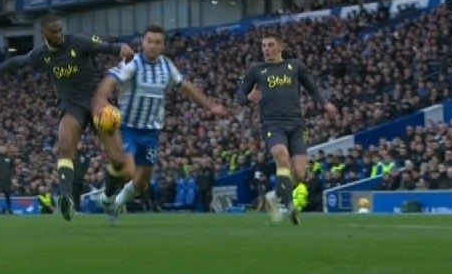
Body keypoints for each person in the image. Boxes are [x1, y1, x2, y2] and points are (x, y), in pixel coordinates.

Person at [0, 14, 135, 222]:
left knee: (118, 161)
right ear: (44, 33)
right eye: (53, 31)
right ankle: (66, 197)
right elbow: (16, 62)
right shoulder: (41, 54)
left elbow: (106, 47)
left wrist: (122, 47)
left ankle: (108, 197)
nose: (58, 34)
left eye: (59, 30)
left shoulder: (78, 42)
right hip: (71, 104)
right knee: (65, 144)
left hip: (97, 103)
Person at [92, 24, 226, 222]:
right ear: (143, 43)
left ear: (163, 46)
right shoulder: (133, 63)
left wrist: (210, 106)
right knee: (128, 171)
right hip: (128, 127)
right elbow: (110, 80)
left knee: (141, 184)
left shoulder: (166, 66)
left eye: (157, 42)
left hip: (152, 132)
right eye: (149, 41)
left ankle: (115, 203)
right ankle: (107, 196)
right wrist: (101, 99)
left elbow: (186, 87)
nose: (152, 46)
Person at [239, 33, 337, 225]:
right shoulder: (256, 70)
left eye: (270, 45)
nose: (266, 49)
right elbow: (240, 94)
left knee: (300, 174)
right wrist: (248, 98)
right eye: (264, 46)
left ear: (280, 46)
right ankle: (289, 204)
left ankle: (274, 196)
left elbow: (313, 89)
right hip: (272, 124)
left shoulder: (295, 66)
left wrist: (325, 104)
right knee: (282, 157)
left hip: (297, 124)